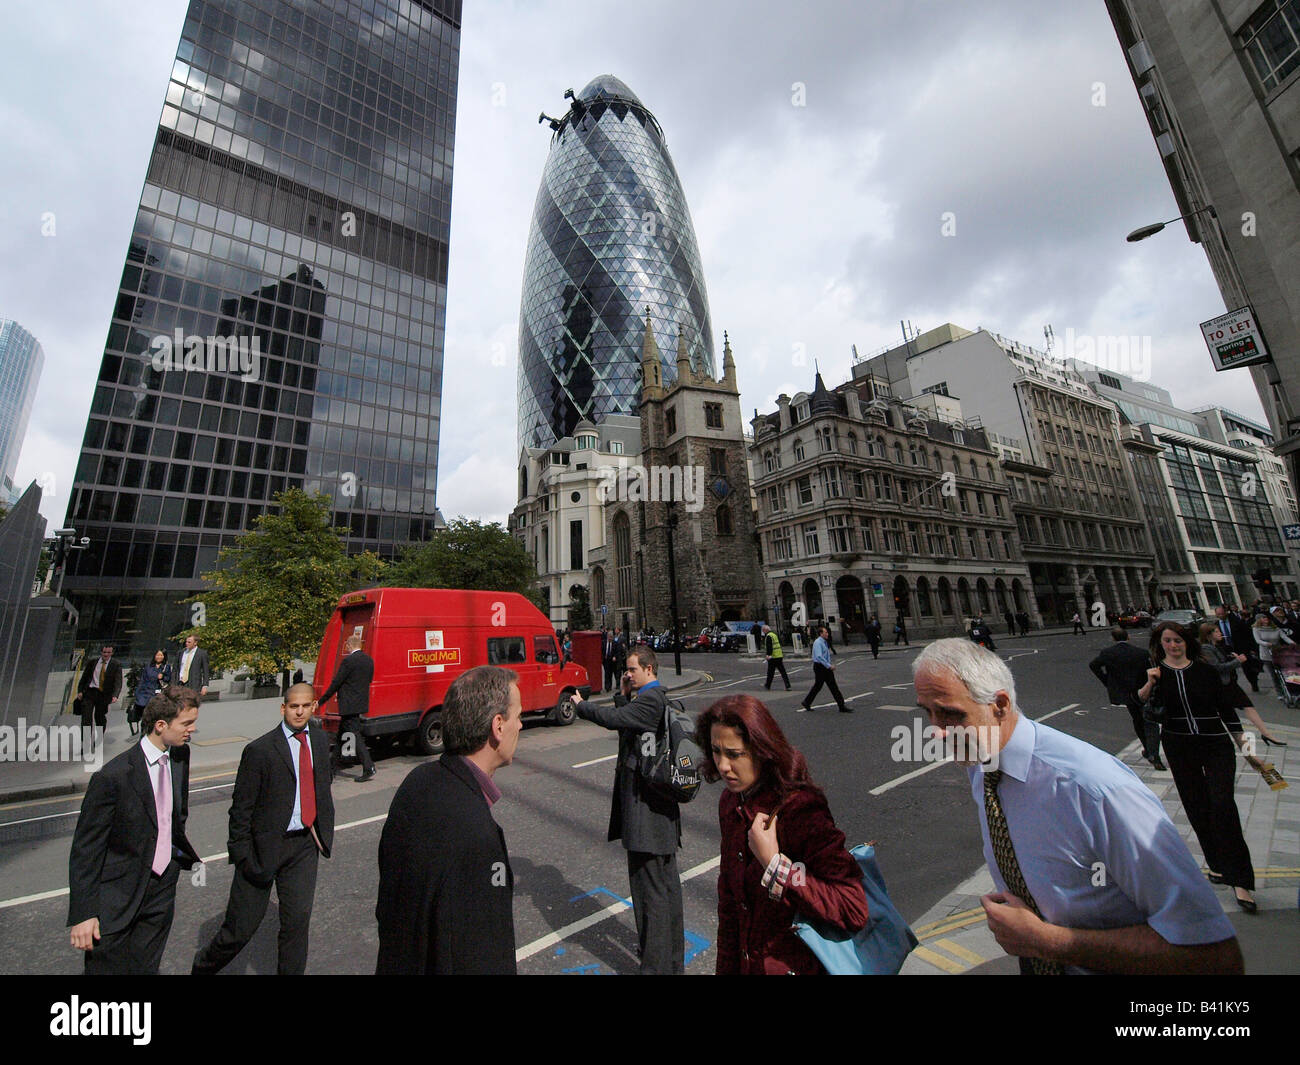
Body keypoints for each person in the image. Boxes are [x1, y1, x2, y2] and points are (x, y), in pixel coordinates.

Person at [912, 639, 1242, 974]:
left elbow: (1214, 957)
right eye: (928, 713)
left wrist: (1046, 941)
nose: (936, 732)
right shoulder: (983, 765)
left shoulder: (1096, 790)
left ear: (999, 704)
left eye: (951, 714)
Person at [695, 694, 869, 974]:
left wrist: (777, 866)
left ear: (762, 750)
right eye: (716, 751)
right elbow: (730, 908)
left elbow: (851, 904)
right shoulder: (731, 803)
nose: (723, 765)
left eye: (734, 754)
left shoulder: (799, 808)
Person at [376, 666, 521, 974]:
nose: (520, 725)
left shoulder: (418, 781)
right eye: (517, 715)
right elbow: (483, 952)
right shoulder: (477, 834)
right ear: (498, 726)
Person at [192, 683, 335, 975]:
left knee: (296, 924)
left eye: (305, 706)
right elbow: (240, 809)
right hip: (263, 849)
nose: (299, 711)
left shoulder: (320, 741)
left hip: (304, 846)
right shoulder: (260, 750)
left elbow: (323, 786)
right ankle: (203, 967)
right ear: (283, 708)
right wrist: (242, 855)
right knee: (239, 931)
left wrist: (321, 831)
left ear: (314, 706)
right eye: (293, 706)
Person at [67, 687, 203, 974]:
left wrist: (173, 864)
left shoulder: (180, 756)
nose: (193, 729)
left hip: (161, 888)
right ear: (161, 725)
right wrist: (84, 913)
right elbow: (86, 849)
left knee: (146, 969)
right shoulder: (113, 777)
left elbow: (177, 814)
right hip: (117, 896)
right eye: (187, 724)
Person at [575, 646, 683, 974]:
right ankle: (672, 966)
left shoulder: (650, 700)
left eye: (632, 669)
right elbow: (629, 725)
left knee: (650, 900)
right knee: (666, 896)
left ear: (649, 669)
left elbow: (614, 720)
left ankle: (655, 968)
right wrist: (624, 694)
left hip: (646, 819)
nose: (628, 674)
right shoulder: (651, 701)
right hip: (660, 817)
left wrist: (582, 706)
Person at [1139, 623, 1257, 913]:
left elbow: (1228, 713)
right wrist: (1150, 682)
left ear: (1187, 642)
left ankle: (1241, 881)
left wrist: (1249, 750)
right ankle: (1217, 865)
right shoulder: (1157, 674)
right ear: (1160, 644)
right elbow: (1141, 704)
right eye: (1167, 641)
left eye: (1177, 640)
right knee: (1196, 806)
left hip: (1216, 744)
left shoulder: (1205, 672)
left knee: (1223, 805)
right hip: (1180, 747)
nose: (1172, 645)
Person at [1199, 622, 1286, 747]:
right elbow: (1216, 667)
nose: (1220, 633)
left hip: (1230, 684)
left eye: (1219, 631)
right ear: (1208, 635)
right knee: (1229, 715)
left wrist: (1232, 657)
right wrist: (1237, 661)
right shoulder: (1206, 648)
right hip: (1221, 687)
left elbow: (1222, 661)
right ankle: (1241, 743)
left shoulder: (1217, 646)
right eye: (1216, 631)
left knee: (1247, 705)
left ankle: (1265, 734)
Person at [1089, 626, 1164, 770]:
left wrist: (1108, 681)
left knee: (1137, 720)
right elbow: (1152, 670)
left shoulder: (1108, 653)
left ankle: (1148, 750)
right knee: (1149, 722)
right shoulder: (1141, 653)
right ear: (1128, 637)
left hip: (1125, 693)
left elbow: (1093, 665)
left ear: (1113, 638)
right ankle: (1154, 754)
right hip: (1143, 690)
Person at [318, 633, 376, 782]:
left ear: (350, 645)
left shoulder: (348, 661)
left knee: (354, 735)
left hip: (348, 704)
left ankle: (369, 767)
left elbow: (336, 682)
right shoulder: (369, 661)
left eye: (347, 645)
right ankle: (331, 768)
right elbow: (368, 680)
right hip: (359, 703)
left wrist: (321, 701)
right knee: (341, 736)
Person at [77, 644, 123, 751]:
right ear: (101, 652)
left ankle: (98, 739)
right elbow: (84, 677)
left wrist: (115, 695)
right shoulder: (93, 662)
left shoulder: (116, 664)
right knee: (86, 719)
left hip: (104, 695)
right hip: (90, 692)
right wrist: (80, 691)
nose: (106, 654)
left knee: (100, 717)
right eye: (104, 652)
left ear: (112, 653)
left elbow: (118, 681)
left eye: (108, 652)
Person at [801, 625, 850, 713]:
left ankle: (841, 706)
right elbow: (819, 656)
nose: (827, 634)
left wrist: (828, 664)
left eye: (827, 632)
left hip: (824, 666)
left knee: (832, 686)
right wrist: (829, 666)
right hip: (820, 667)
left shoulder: (824, 642)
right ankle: (806, 702)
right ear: (821, 633)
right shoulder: (818, 642)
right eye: (826, 632)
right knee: (819, 686)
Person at [1214, 605, 1260, 692]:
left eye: (1222, 614)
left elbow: (1247, 635)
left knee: (1247, 668)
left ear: (1226, 613)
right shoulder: (1216, 625)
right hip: (1226, 649)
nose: (1221, 616)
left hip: (1240, 648)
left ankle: (1254, 683)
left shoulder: (1237, 622)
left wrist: (1252, 648)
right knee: (1230, 669)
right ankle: (1233, 686)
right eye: (1218, 614)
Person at [1252, 610, 1294, 702]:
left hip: (1277, 652)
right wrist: (1266, 643)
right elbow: (1258, 640)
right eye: (1263, 618)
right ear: (1259, 620)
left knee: (1285, 672)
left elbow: (1285, 637)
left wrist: (1293, 644)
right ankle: (1280, 692)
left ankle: (1291, 690)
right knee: (1274, 675)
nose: (1266, 619)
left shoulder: (1276, 629)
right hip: (1266, 653)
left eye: (1266, 618)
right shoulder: (1256, 629)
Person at [130, 650, 170, 737]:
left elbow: (168, 678)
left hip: (157, 695)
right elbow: (142, 680)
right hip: (145, 694)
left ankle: (154, 735)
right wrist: (137, 693)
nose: (159, 657)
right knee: (145, 716)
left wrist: (163, 677)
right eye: (157, 655)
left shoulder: (166, 667)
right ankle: (143, 735)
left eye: (161, 655)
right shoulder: (148, 666)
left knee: (156, 716)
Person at [761, 623, 791, 691]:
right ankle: (788, 685)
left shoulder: (768, 636)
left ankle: (767, 685)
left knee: (770, 672)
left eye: (763, 630)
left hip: (773, 657)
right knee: (783, 672)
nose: (763, 632)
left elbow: (769, 646)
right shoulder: (774, 635)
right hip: (779, 655)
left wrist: (768, 655)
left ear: (765, 630)